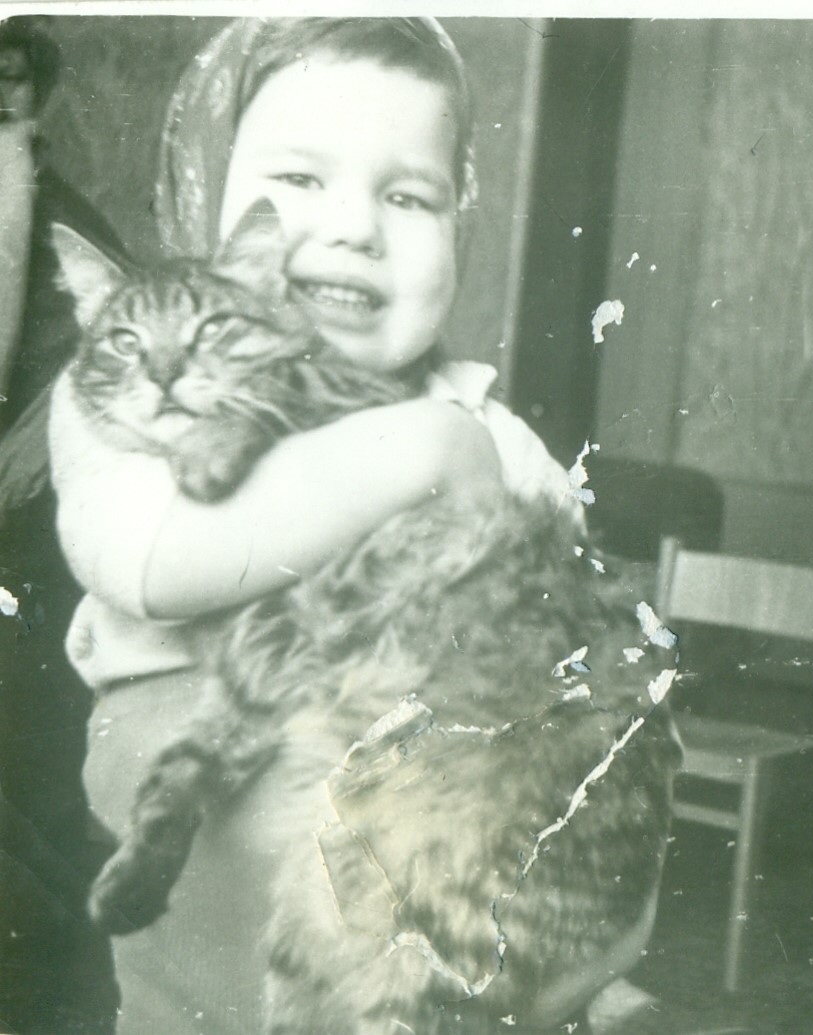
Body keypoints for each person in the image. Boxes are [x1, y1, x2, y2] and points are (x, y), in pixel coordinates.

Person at [48, 19, 653, 1034]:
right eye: (297, 180)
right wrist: (428, 451)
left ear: (461, 224)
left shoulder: (496, 432)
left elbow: (595, 685)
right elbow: (150, 561)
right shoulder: (126, 411)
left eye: (408, 196)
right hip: (207, 929)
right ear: (204, 202)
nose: (352, 228)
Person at [0, 16, 124, 1034]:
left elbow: (117, 349)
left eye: (10, 79)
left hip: (37, 547)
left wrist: (42, 436)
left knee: (38, 788)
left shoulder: (62, 222)